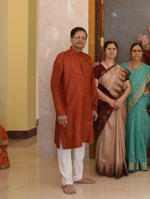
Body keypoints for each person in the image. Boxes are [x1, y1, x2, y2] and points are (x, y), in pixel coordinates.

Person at [50, 27, 98, 195]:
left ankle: (78, 176)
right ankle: (66, 180)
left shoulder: (87, 59)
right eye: (77, 37)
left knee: (80, 143)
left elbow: (92, 85)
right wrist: (60, 111)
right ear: (71, 39)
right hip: (67, 110)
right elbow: (55, 87)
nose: (80, 40)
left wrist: (93, 107)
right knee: (65, 143)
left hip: (84, 109)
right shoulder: (62, 58)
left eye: (83, 37)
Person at [94, 41, 131, 179]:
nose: (111, 51)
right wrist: (110, 100)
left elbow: (128, 87)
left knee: (118, 135)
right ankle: (104, 167)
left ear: (117, 51)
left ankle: (117, 165)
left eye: (114, 49)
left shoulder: (121, 69)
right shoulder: (97, 68)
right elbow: (94, 88)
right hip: (104, 106)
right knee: (105, 137)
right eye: (109, 48)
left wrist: (121, 99)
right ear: (104, 51)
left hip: (118, 107)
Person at [121, 43, 150, 172]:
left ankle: (142, 160)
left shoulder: (147, 69)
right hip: (130, 102)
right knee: (130, 130)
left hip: (144, 101)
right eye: (134, 51)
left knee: (144, 131)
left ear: (142, 53)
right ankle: (131, 161)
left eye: (139, 51)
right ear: (130, 53)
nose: (136, 53)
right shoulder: (124, 67)